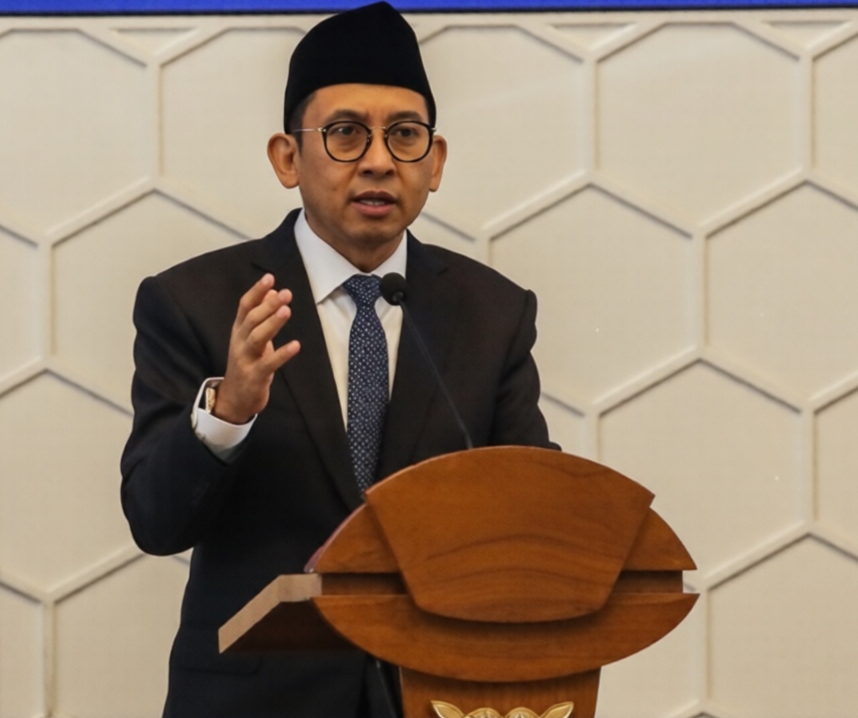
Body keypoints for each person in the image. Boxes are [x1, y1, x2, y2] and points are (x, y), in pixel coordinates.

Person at [120, 3, 555, 716]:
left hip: (434, 693)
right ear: (287, 158)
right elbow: (154, 522)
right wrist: (227, 413)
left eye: (405, 135)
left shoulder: (491, 312)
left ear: (435, 162)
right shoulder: (196, 302)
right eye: (346, 133)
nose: (379, 161)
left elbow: (529, 506)